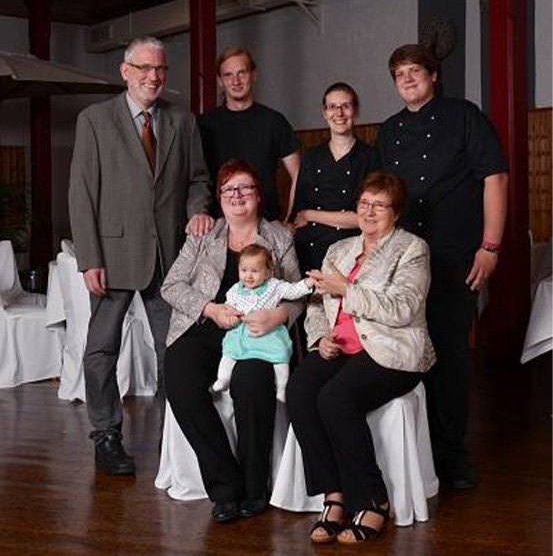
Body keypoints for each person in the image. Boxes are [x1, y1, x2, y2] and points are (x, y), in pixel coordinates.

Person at [68, 36, 213, 476]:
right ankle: (106, 435)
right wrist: (89, 257)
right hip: (111, 258)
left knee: (176, 352)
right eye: (145, 68)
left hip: (168, 259)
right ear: (125, 71)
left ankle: (179, 431)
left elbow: (198, 180)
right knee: (101, 352)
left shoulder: (183, 122)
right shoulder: (94, 120)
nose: (154, 76)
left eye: (161, 69)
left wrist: (197, 214)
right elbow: (82, 191)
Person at [376, 43, 508, 489]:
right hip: (401, 258)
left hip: (454, 256)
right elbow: (380, 197)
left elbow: (495, 177)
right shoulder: (390, 131)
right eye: (399, 74)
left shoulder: (465, 115)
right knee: (405, 351)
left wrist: (490, 246)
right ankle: (412, 454)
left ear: (433, 76)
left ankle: (451, 456)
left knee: (449, 356)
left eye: (415, 71)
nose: (408, 79)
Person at [286, 171, 435, 545]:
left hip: (391, 350)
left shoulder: (412, 249)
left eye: (379, 205)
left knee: (334, 398)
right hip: (342, 346)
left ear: (395, 212)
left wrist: (347, 290)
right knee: (301, 389)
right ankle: (333, 495)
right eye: (364, 204)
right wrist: (321, 337)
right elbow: (317, 303)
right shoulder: (340, 250)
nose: (369, 212)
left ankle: (373, 499)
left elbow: (404, 307)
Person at [162, 159, 304, 523]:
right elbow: (171, 286)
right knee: (179, 380)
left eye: (245, 188)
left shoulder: (279, 238)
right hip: (205, 328)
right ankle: (226, 486)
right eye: (229, 189)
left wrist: (279, 315)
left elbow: (297, 294)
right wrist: (210, 309)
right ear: (220, 198)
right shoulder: (202, 235)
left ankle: (256, 489)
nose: (237, 195)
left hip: (257, 331)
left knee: (253, 382)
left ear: (258, 195)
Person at [198, 46, 300, 221]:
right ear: (220, 81)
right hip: (218, 226)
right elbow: (192, 179)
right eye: (228, 75)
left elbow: (299, 175)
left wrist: (290, 219)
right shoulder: (203, 125)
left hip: (266, 224)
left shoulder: (274, 121)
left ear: (254, 75)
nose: (235, 81)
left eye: (242, 73)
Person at [291, 82, 378, 274]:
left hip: (351, 255)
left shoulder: (371, 157)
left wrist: (311, 215)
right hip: (308, 254)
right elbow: (298, 213)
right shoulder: (310, 156)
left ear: (355, 110)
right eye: (332, 107)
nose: (339, 113)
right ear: (324, 113)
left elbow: (365, 218)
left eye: (345, 106)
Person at [212, 243, 314, 402]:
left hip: (268, 332)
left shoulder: (275, 286)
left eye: (255, 271)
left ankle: (281, 387)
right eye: (244, 270)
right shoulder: (235, 290)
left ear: (268, 272)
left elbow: (294, 291)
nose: (248, 276)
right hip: (242, 331)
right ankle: (222, 379)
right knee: (229, 352)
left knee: (280, 356)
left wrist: (308, 283)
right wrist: (231, 317)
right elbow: (229, 307)